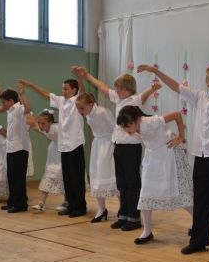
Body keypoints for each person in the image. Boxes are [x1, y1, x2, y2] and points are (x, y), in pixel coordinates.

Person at [138, 57, 209, 254]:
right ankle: (198, 240)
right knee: (201, 200)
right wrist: (155, 71)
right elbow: (175, 86)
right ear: (207, 81)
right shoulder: (199, 96)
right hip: (201, 156)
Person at [72, 65, 160, 230]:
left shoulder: (134, 100)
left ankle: (134, 218)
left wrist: (152, 88)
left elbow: (144, 96)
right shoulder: (118, 99)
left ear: (127, 89)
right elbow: (102, 87)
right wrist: (87, 74)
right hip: (118, 146)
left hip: (131, 148)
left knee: (132, 183)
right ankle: (123, 215)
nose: (116, 90)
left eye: (119, 88)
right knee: (122, 184)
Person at [117, 105, 193, 244]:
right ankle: (147, 231)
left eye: (127, 126)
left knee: (178, 193)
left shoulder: (151, 122)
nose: (126, 130)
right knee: (146, 194)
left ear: (137, 120)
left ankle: (197, 221)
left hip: (167, 155)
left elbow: (177, 114)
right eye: (123, 127)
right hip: (152, 157)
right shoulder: (137, 127)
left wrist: (181, 136)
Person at [20, 76, 87, 218]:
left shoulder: (77, 100)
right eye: (62, 88)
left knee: (77, 178)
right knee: (68, 178)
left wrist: (80, 77)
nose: (63, 91)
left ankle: (80, 208)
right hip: (64, 146)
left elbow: (83, 91)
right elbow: (45, 93)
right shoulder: (61, 101)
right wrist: (31, 84)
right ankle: (70, 205)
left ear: (74, 90)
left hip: (75, 144)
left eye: (66, 88)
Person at [75, 92, 119, 223]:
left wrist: (114, 147)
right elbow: (95, 132)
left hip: (108, 144)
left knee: (113, 176)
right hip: (97, 146)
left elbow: (115, 128)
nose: (80, 111)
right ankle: (101, 209)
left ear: (91, 104)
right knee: (97, 176)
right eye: (78, 109)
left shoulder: (103, 112)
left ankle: (123, 209)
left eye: (82, 108)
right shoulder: (88, 115)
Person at [0, 81, 31, 213]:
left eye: (4, 102)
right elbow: (6, 97)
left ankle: (20, 204)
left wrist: (22, 94)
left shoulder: (18, 109)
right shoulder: (10, 110)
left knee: (18, 179)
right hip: (11, 148)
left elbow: (28, 109)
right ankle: (12, 202)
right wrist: (1, 89)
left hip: (20, 148)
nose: (2, 105)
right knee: (11, 177)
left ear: (11, 101)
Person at [27, 109, 64, 212]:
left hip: (62, 153)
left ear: (50, 122)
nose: (40, 125)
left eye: (43, 123)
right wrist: (28, 112)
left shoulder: (56, 129)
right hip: (53, 153)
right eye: (40, 123)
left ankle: (66, 202)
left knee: (63, 177)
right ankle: (42, 203)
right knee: (48, 175)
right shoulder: (47, 128)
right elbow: (34, 125)